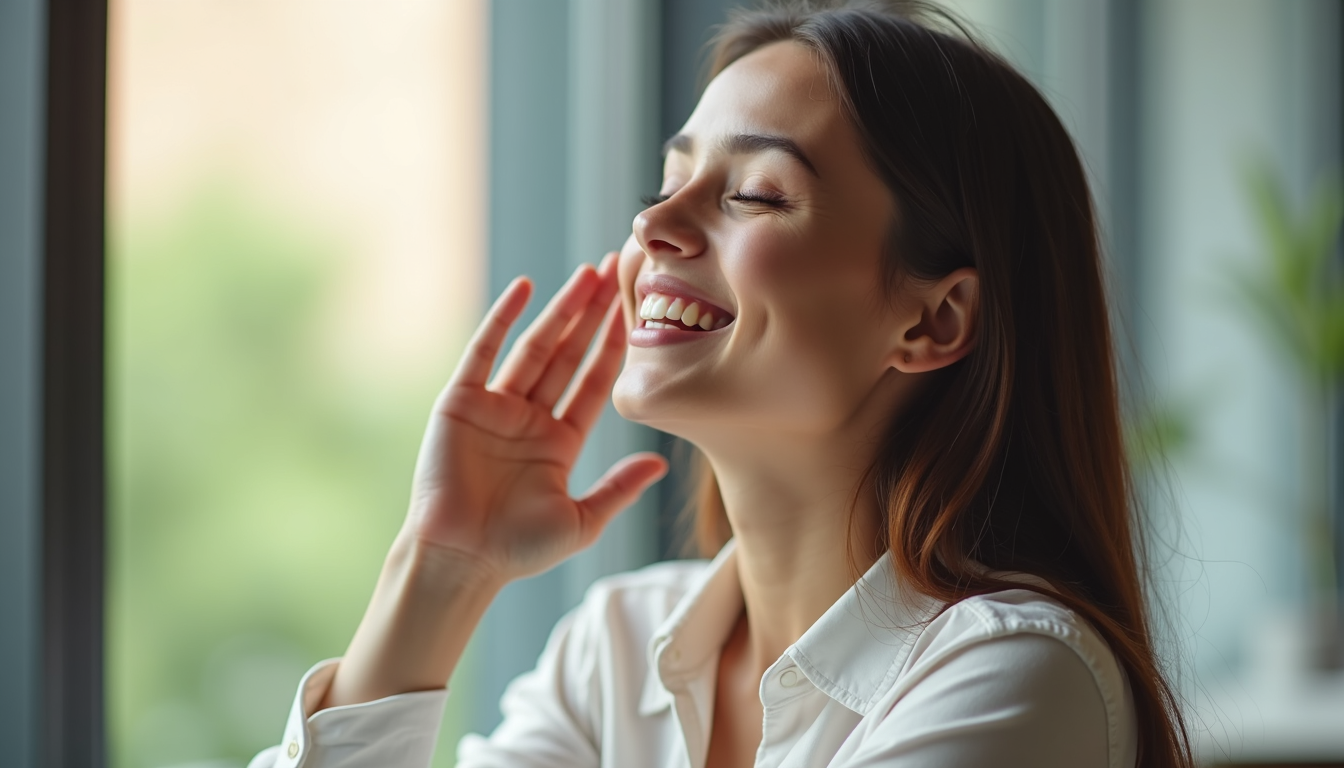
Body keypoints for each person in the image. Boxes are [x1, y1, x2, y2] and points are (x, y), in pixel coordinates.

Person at [250, 2, 1192, 766]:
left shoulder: (1014, 675)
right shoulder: (614, 653)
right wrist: (442, 565)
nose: (654, 221)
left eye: (756, 194)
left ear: (933, 320)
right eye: (670, 179)